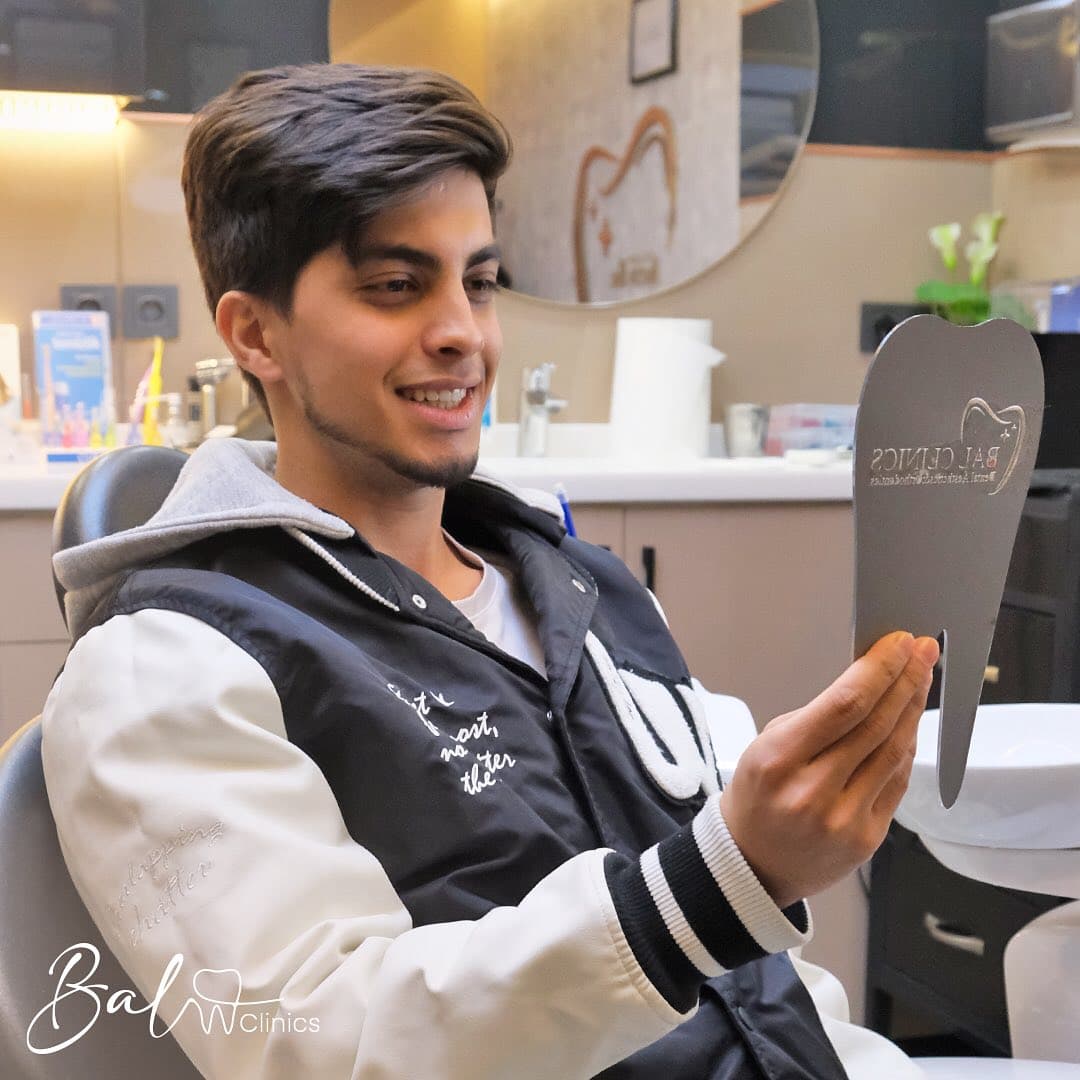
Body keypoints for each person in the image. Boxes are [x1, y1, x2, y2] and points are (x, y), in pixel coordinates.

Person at [41, 63, 939, 1079]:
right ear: (256, 334)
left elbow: (768, 984)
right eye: (395, 285)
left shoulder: (586, 589)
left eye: (477, 280)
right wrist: (725, 878)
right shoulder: (167, 666)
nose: (463, 334)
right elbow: (321, 1042)